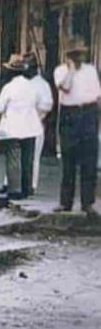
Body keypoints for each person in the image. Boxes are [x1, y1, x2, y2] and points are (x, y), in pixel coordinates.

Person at [53, 37, 101, 213]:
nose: (78, 58)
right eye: (75, 55)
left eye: (80, 55)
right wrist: (71, 70)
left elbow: (96, 96)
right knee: (69, 160)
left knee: (89, 160)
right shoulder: (61, 71)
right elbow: (65, 88)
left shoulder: (90, 71)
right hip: (70, 114)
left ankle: (87, 202)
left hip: (88, 113)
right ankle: (66, 202)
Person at [0, 53, 43, 205]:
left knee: (14, 160)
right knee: (27, 159)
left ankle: (15, 190)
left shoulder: (9, 88)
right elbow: (39, 104)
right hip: (31, 127)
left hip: (13, 128)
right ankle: (27, 188)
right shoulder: (32, 87)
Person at [26, 53, 54, 195]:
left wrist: (36, 114)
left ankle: (31, 185)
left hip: (35, 124)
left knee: (33, 156)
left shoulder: (41, 85)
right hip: (21, 124)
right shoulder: (23, 83)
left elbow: (47, 105)